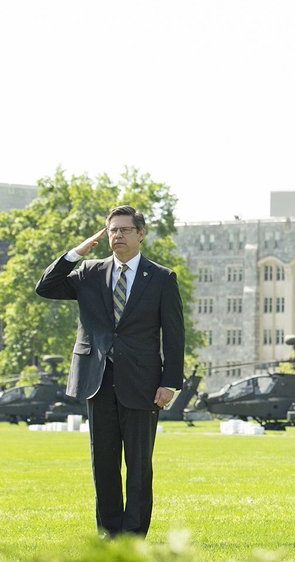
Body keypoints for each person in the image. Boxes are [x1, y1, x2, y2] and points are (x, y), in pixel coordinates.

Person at [35, 206, 185, 538]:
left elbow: (174, 336)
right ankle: (108, 534)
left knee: (138, 467)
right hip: (96, 381)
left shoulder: (161, 278)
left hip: (143, 385)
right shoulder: (88, 272)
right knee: (103, 464)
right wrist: (76, 253)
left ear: (141, 234)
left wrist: (170, 383)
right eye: (112, 230)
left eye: (124, 230)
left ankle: (133, 537)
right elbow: (45, 287)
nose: (117, 235)